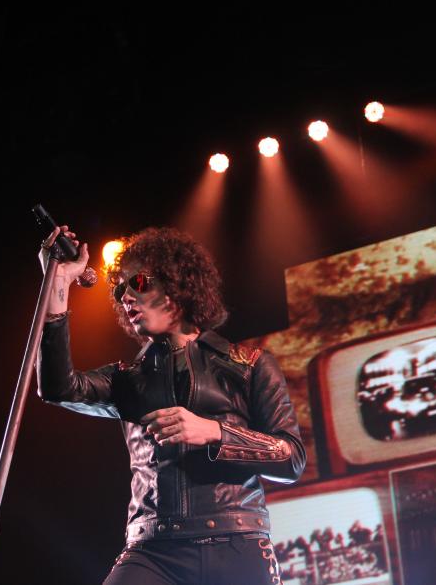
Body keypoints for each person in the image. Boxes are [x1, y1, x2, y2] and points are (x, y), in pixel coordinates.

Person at [37, 225, 306, 585]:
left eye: (140, 283)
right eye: (120, 290)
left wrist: (214, 432)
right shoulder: (127, 378)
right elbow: (57, 387)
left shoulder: (250, 365)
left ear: (178, 287)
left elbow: (291, 457)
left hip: (237, 541)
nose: (126, 297)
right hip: (153, 551)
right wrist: (57, 282)